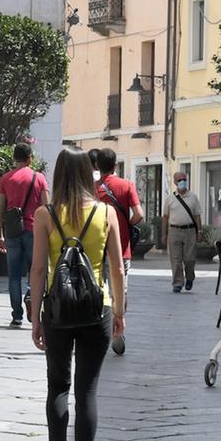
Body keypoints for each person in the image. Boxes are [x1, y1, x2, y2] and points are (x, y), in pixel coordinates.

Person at [28, 148, 126, 441]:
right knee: (87, 390)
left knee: (57, 385)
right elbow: (116, 267)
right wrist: (119, 311)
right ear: (89, 173)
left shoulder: (45, 214)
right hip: (95, 308)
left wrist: (35, 313)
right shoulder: (106, 212)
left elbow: (39, 268)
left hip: (57, 310)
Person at [0, 143, 49, 329]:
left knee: (14, 276)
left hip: (12, 232)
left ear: (14, 158)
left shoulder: (6, 179)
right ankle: (32, 300)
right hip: (34, 231)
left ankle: (16, 315)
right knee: (37, 271)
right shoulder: (39, 178)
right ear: (30, 158)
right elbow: (46, 208)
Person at [93, 148, 142, 356]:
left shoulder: (93, 188)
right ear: (115, 165)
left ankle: (99, 329)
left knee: (98, 289)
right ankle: (118, 329)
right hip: (121, 248)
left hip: (96, 247)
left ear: (97, 166)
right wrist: (126, 226)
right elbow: (139, 214)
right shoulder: (127, 185)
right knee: (119, 289)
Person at [160, 170, 201, 293]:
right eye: (179, 180)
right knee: (175, 259)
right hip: (174, 230)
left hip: (190, 231)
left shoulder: (193, 197)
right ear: (175, 182)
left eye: (184, 179)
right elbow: (165, 217)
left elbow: (197, 216)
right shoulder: (170, 199)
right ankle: (178, 282)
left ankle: (189, 278)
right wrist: (164, 234)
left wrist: (200, 231)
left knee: (190, 259)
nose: (182, 182)